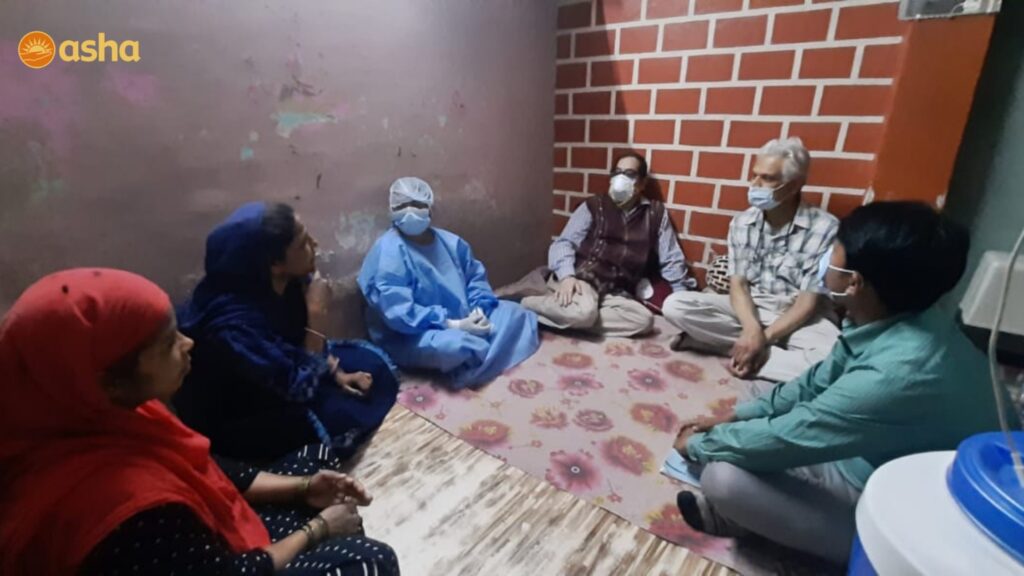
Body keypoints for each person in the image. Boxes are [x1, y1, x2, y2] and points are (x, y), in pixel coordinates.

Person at [0, 268, 399, 575]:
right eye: (167, 344)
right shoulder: (123, 509)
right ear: (109, 382)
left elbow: (206, 466)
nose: (187, 343)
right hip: (205, 561)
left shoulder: (112, 413)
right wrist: (319, 530)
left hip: (192, 538)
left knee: (317, 459)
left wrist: (305, 487)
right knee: (368, 560)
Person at [672, 202, 1004, 565]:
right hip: (874, 450)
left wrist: (699, 444)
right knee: (759, 396)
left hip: (907, 517)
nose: (824, 259)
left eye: (833, 252)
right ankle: (752, 512)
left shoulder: (897, 375)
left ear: (854, 282)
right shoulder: (904, 316)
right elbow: (816, 382)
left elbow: (791, 435)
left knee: (723, 478)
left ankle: (746, 520)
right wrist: (734, 418)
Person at [174, 202, 398, 461]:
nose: (314, 244)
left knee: (373, 368)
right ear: (275, 263)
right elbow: (296, 390)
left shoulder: (284, 281)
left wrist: (337, 374)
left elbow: (292, 344)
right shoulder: (234, 327)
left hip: (281, 371)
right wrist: (316, 316)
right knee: (337, 421)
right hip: (244, 409)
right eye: (302, 243)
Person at [662, 138, 840, 382]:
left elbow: (806, 304)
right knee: (675, 306)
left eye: (767, 178)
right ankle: (754, 352)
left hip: (799, 316)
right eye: (754, 175)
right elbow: (739, 285)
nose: (755, 184)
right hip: (750, 309)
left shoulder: (825, 228)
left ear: (794, 185)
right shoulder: (742, 222)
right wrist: (751, 329)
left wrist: (761, 339)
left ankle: (731, 350)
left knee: (834, 362)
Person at [358, 177, 539, 389]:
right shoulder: (389, 252)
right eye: (402, 206)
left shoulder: (452, 243)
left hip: (465, 315)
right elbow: (400, 314)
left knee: (517, 314)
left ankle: (480, 355)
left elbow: (474, 277)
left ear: (430, 208)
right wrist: (454, 325)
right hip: (413, 334)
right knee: (455, 346)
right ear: (391, 211)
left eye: (417, 204)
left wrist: (479, 310)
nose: (410, 212)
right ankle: (482, 351)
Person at [521, 152, 696, 337]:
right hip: (582, 279)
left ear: (642, 183)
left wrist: (681, 301)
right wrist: (567, 277)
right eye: (617, 172)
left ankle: (575, 315)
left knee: (643, 321)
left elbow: (671, 259)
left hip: (614, 292)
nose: (621, 178)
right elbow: (564, 243)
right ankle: (526, 304)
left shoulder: (656, 214)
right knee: (585, 311)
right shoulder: (594, 205)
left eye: (629, 174)